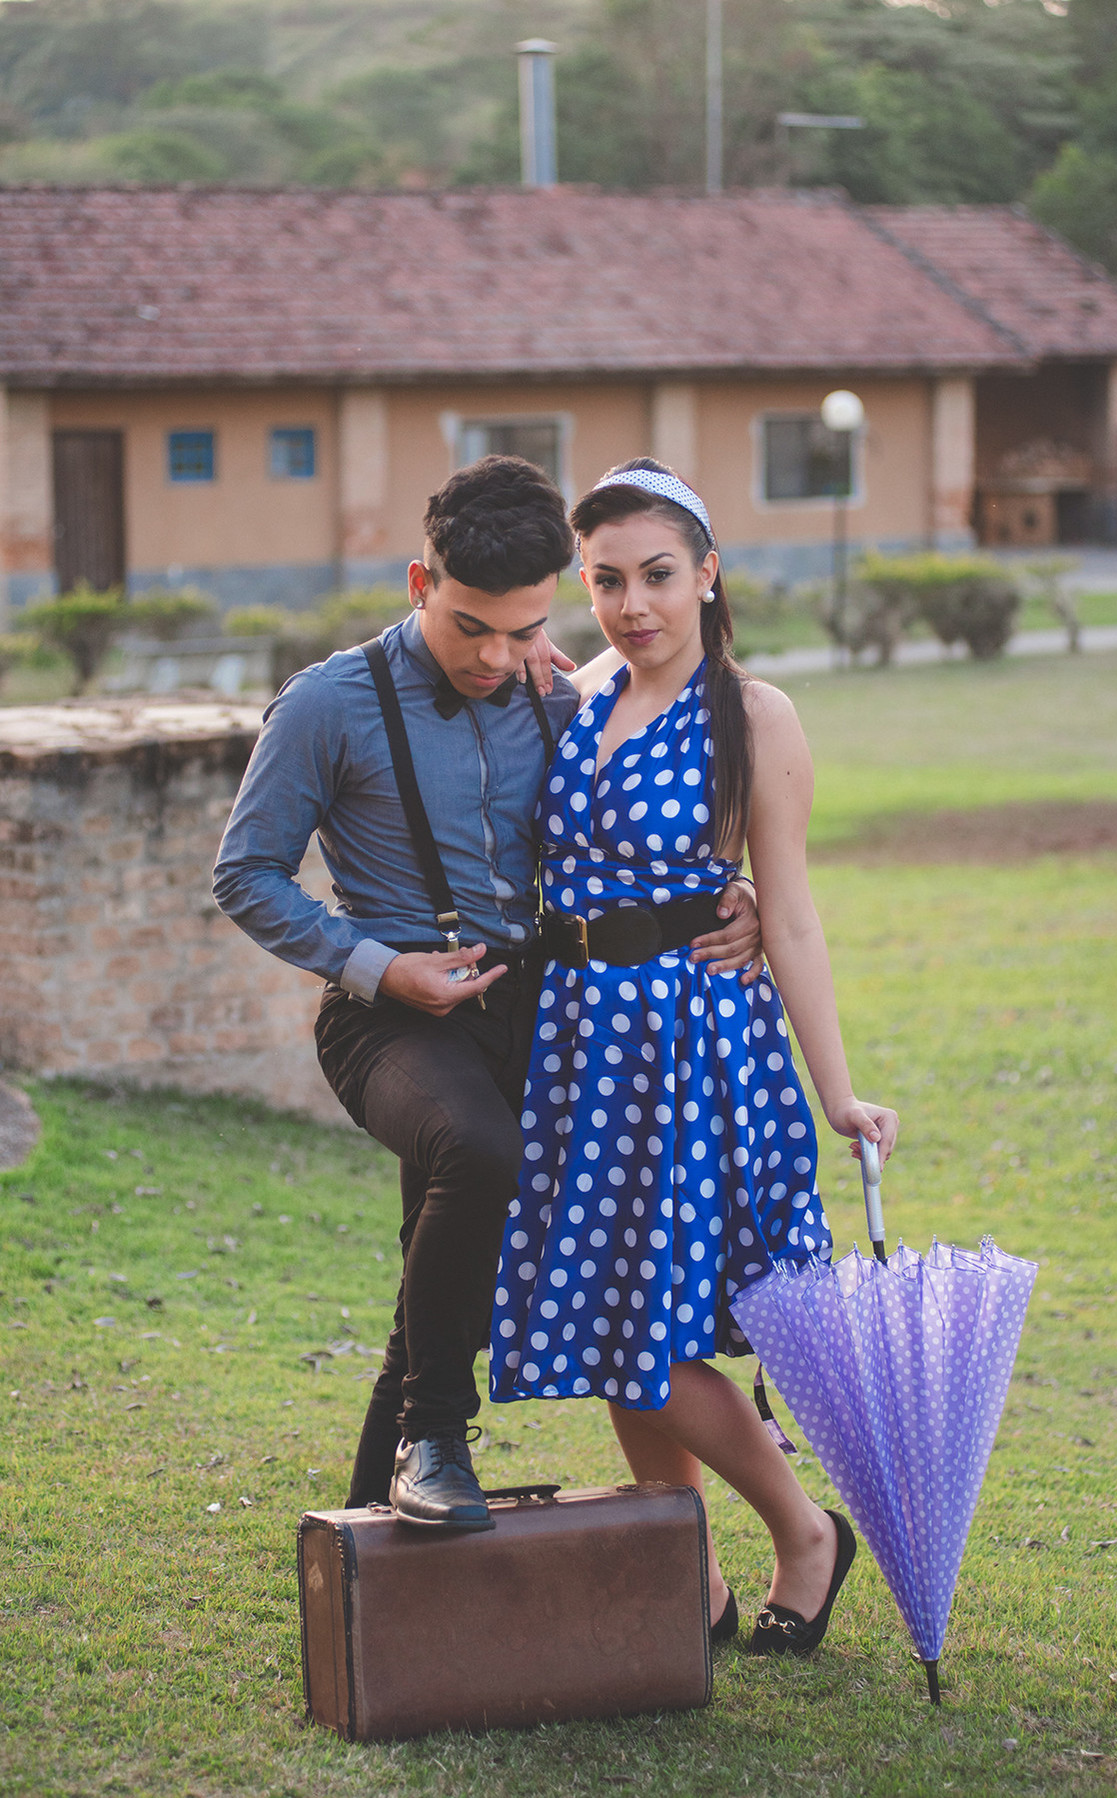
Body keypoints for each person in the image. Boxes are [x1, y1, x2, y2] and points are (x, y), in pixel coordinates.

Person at [212, 455, 760, 1533]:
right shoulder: (328, 703)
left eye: (523, 630)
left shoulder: (553, 690)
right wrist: (377, 964)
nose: (498, 657)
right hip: (388, 1021)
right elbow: (245, 873)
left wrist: (724, 900)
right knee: (479, 1152)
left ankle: (366, 1546)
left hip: (537, 1013)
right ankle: (437, 1439)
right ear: (421, 584)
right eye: (472, 628)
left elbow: (633, 824)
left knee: (435, 1289)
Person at [491, 459, 899, 1654]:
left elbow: (793, 912)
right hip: (575, 1045)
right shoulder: (570, 692)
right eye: (608, 579)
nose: (634, 605)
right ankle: (696, 1577)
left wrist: (838, 1092)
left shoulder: (753, 715)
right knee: (605, 1327)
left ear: (708, 573)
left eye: (659, 576)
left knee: (647, 1332)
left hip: (688, 1049)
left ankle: (804, 1532)